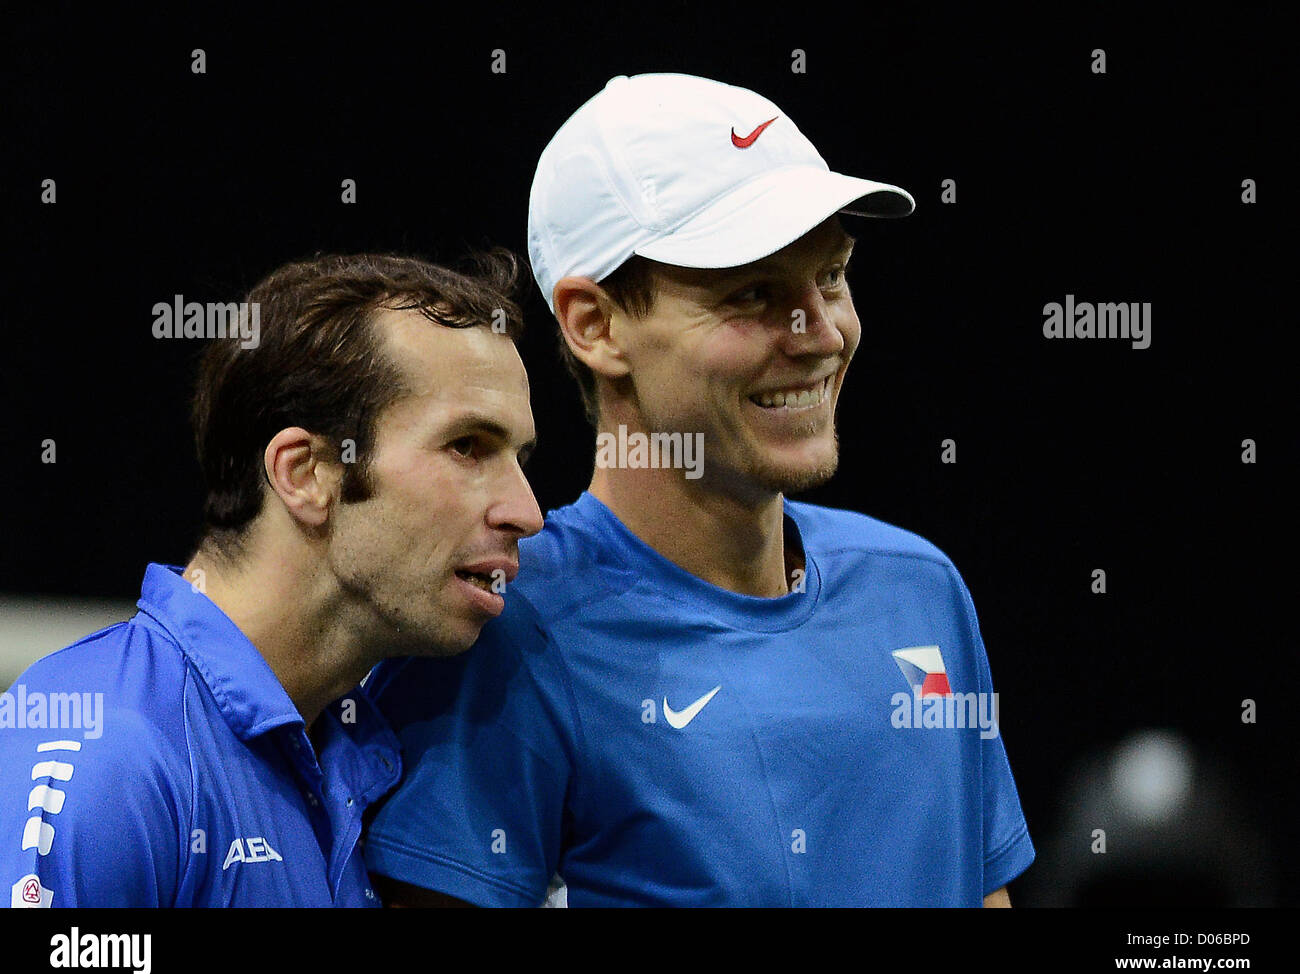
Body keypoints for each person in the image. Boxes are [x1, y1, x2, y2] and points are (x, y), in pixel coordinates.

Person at [364, 74, 1033, 906]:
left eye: (831, 277)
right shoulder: (495, 628)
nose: (820, 334)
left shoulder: (920, 588)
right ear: (594, 323)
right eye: (752, 294)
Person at [1, 251, 542, 907]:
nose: (527, 511)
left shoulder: (360, 750)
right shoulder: (110, 753)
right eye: (468, 446)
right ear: (305, 473)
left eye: (519, 457)